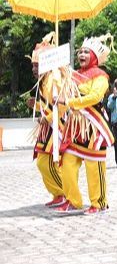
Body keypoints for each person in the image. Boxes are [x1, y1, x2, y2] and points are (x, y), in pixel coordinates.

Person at [55, 34, 116, 215]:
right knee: (67, 164)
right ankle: (73, 200)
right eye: (80, 51)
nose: (81, 54)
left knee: (94, 166)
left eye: (85, 52)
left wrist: (72, 102)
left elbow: (95, 97)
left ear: (94, 57)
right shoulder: (73, 75)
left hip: (92, 126)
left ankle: (99, 202)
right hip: (74, 127)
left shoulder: (101, 76)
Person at [27, 33, 65, 208]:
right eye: (33, 65)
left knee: (47, 162)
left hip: (57, 126)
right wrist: (35, 106)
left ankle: (64, 192)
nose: (33, 69)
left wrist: (47, 118)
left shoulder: (55, 79)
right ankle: (58, 194)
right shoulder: (43, 82)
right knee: (43, 163)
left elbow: (62, 106)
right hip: (48, 126)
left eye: (37, 65)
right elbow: (46, 106)